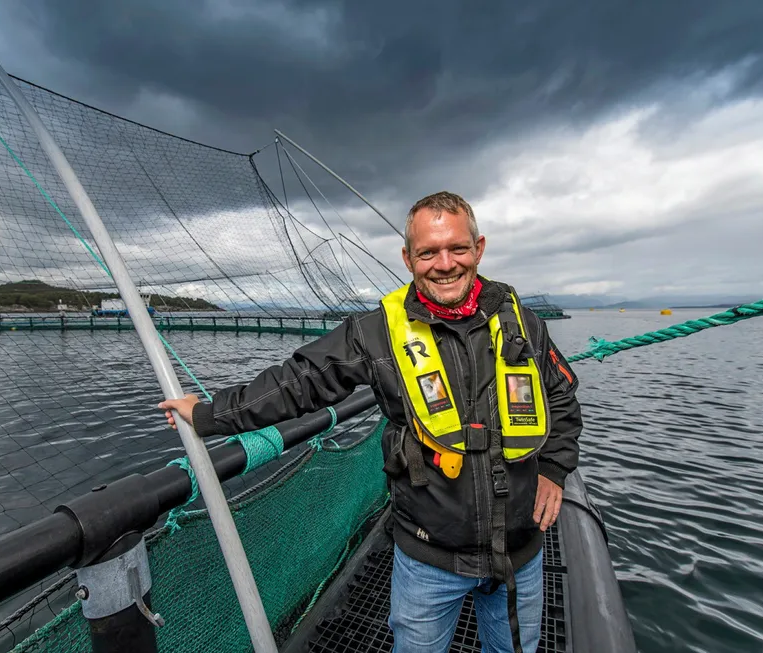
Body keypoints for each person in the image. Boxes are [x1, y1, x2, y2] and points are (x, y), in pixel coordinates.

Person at [158, 191, 582, 653]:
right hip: (429, 559)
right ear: (407, 258)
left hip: (520, 555)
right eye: (428, 252)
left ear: (479, 248)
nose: (445, 263)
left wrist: (554, 470)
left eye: (458, 248)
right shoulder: (376, 331)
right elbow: (298, 383)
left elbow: (561, 395)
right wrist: (208, 415)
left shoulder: (523, 322)